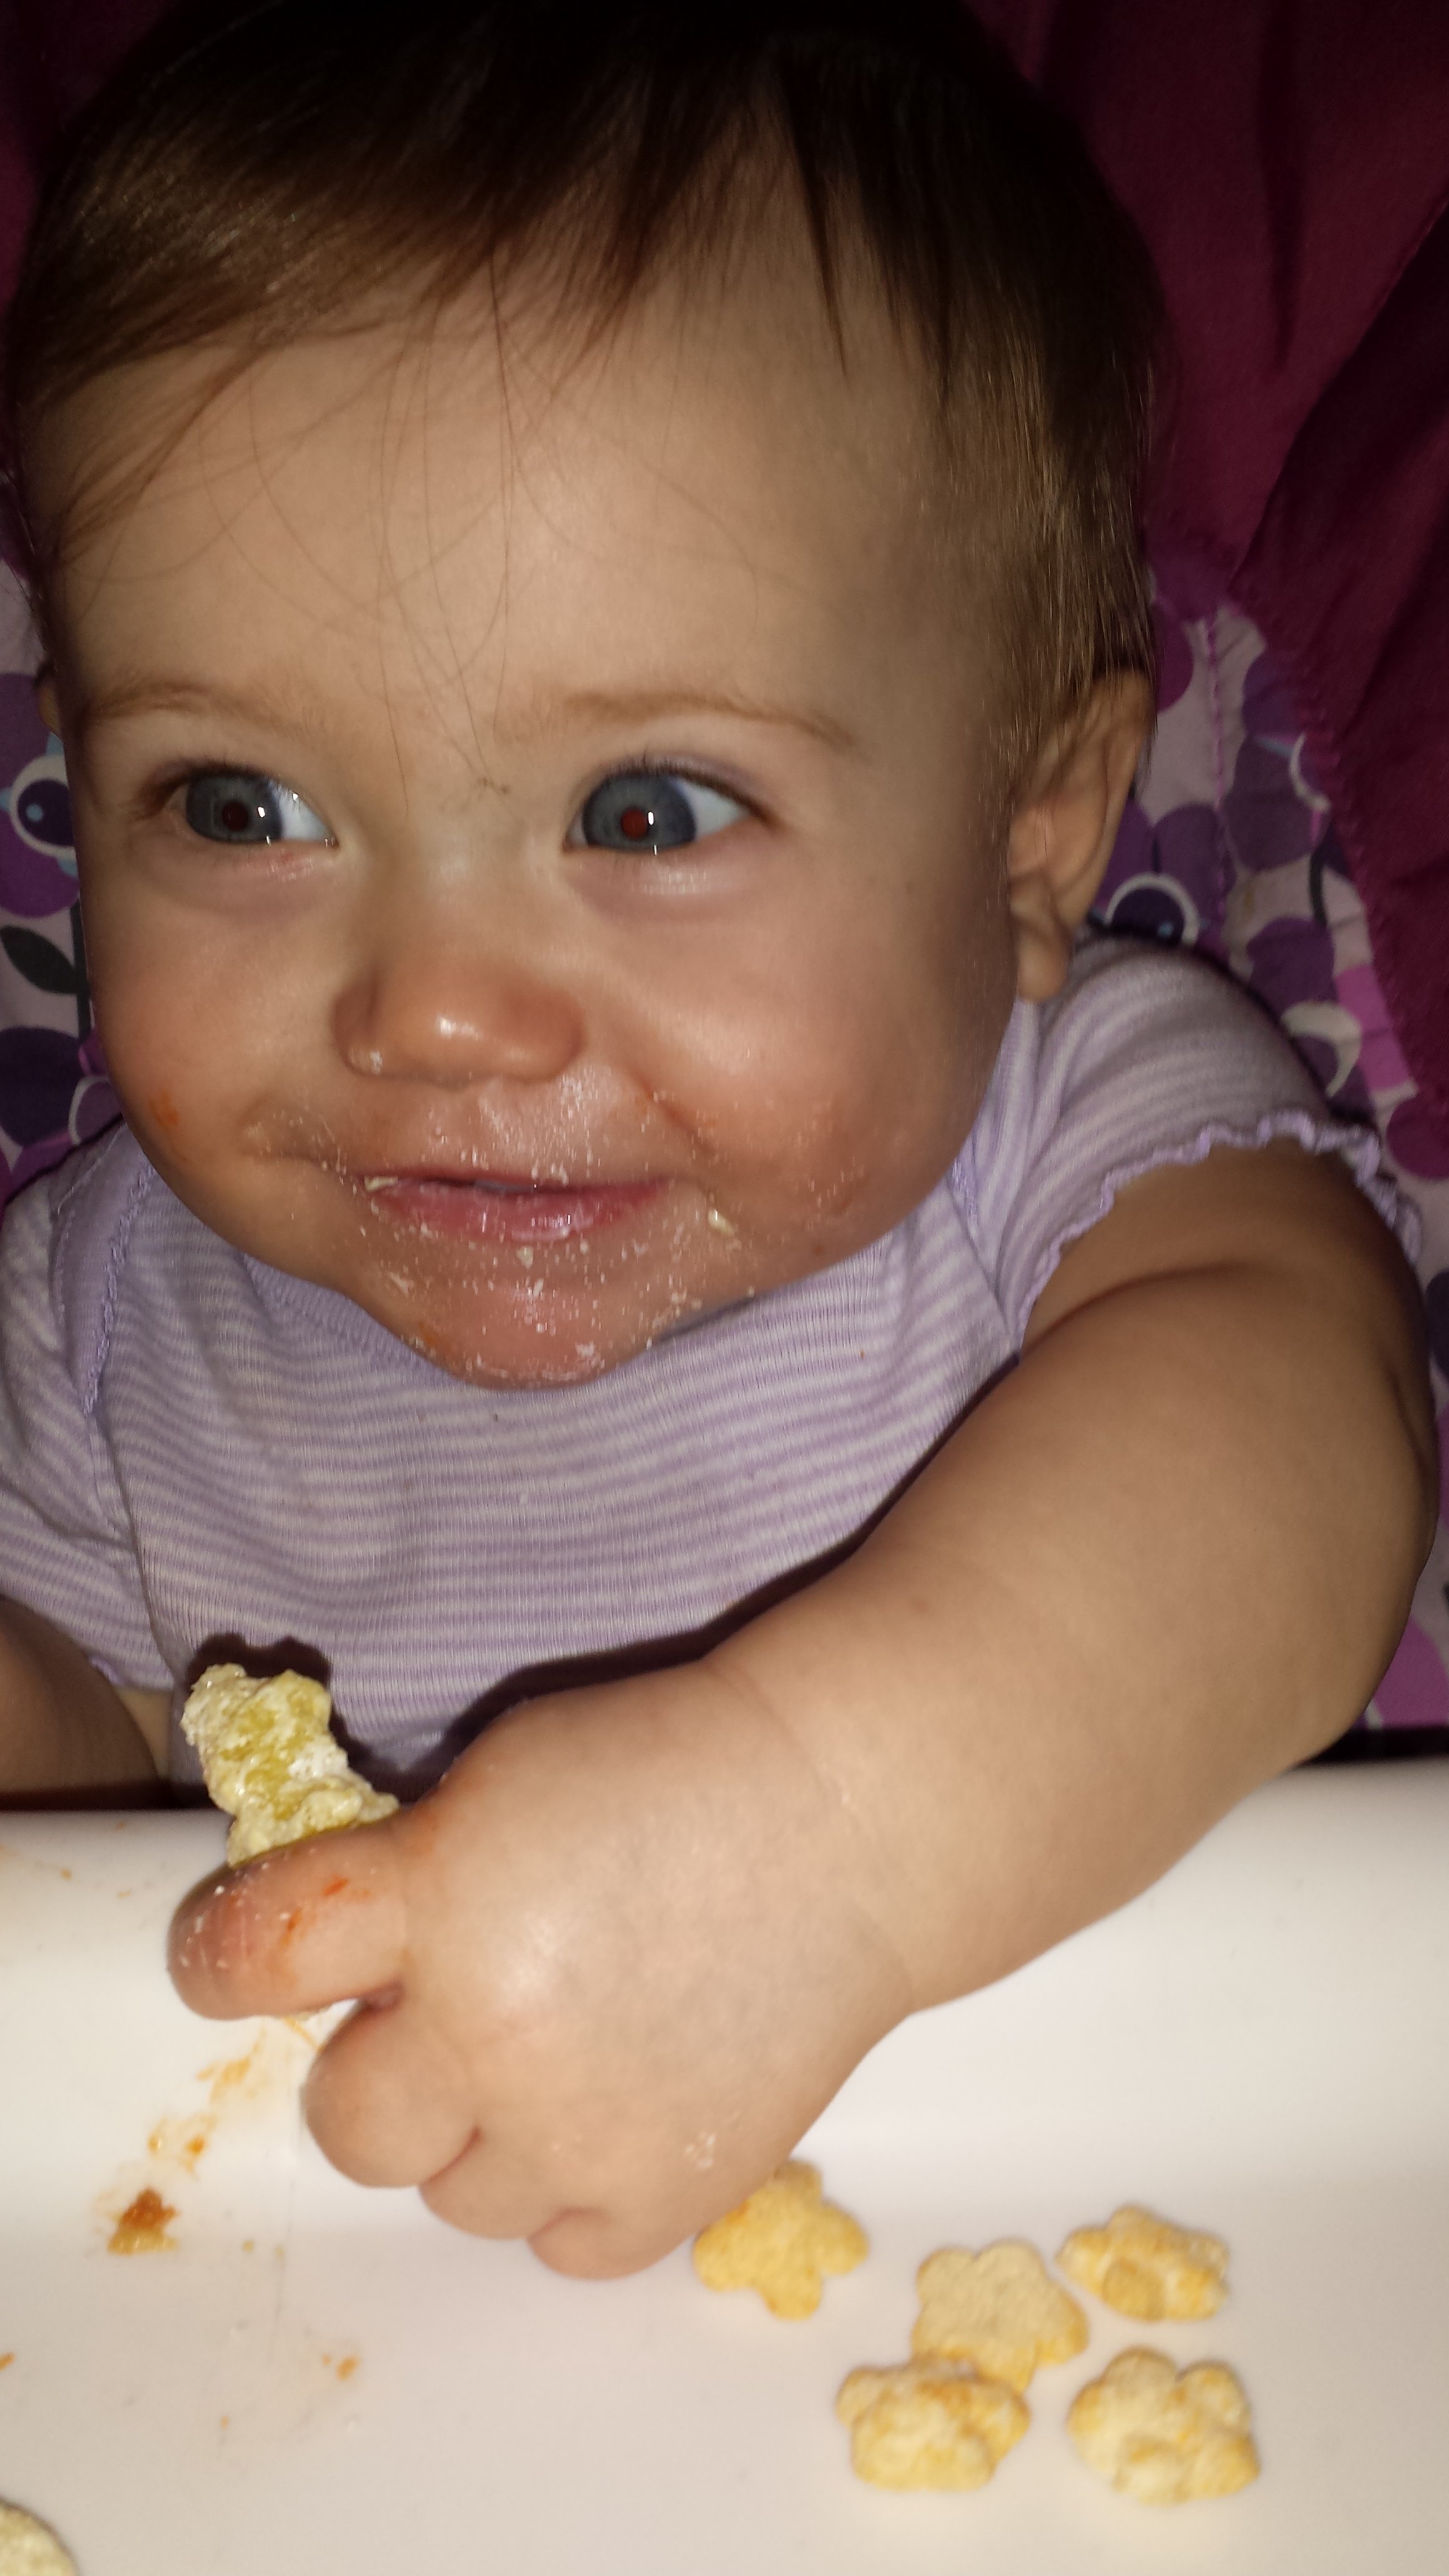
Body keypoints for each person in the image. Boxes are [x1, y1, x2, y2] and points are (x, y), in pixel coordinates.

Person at [0, 0, 1435, 2276]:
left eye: (648, 812)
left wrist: (824, 1837)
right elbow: (73, 1815)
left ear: (1029, 833)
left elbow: (1296, 1441)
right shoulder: (93, 1328)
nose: (435, 1012)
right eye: (239, 806)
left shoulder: (1072, 1140)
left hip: (1126, 2253)